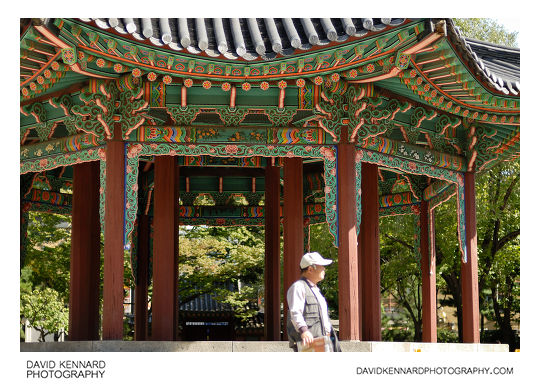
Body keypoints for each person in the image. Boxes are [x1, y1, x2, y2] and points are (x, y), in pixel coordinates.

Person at [286, 252, 341, 352]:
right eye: (321, 266)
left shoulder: (316, 290)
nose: (324, 269)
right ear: (310, 269)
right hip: (310, 342)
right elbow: (295, 312)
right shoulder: (298, 287)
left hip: (325, 341)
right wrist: (304, 331)